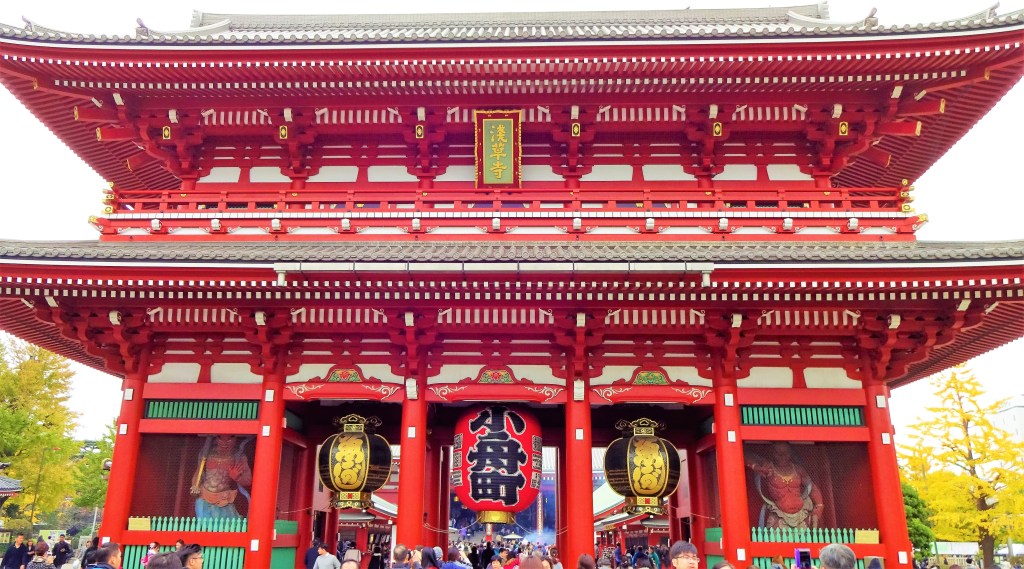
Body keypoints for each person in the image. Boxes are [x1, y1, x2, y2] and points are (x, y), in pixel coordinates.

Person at [746, 442, 824, 529]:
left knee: (803, 542)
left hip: (801, 515)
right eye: (778, 453)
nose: (782, 456)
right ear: (772, 453)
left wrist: (819, 506)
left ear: (790, 453)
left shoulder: (798, 469)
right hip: (779, 515)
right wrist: (755, 466)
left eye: (786, 452)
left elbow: (811, 487)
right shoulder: (769, 468)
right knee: (776, 541)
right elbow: (745, 454)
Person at [191, 434, 253, 518]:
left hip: (224, 498)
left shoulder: (238, 457)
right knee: (206, 527)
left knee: (229, 526)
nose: (225, 443)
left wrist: (237, 478)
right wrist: (195, 485)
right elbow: (198, 473)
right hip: (204, 496)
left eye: (230, 438)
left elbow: (248, 480)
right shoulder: (207, 454)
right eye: (220, 438)